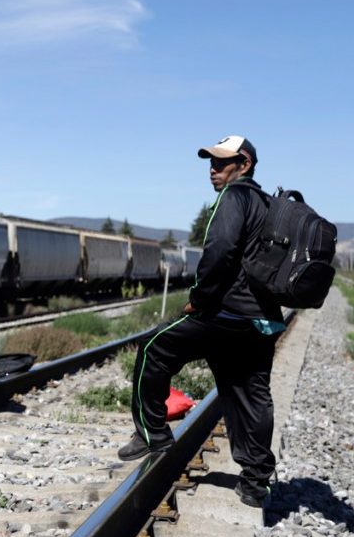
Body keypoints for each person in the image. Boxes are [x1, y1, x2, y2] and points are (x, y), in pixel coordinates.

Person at [119, 135, 284, 508]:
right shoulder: (269, 204)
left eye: (221, 162)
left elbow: (220, 250)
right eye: (210, 162)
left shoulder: (235, 197)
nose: (213, 168)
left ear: (244, 164)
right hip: (261, 320)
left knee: (152, 350)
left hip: (224, 314)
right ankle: (256, 482)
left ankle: (153, 433)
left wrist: (199, 298)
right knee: (250, 392)